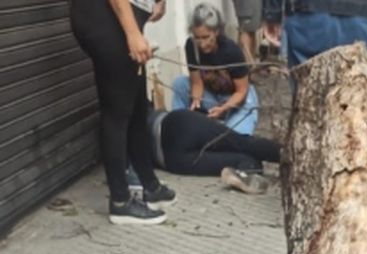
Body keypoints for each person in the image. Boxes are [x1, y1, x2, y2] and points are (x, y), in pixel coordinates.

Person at [72, 0, 177, 225]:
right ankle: (120, 202)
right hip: (105, 19)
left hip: (119, 19)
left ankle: (150, 186)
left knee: (138, 105)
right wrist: (132, 33)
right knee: (117, 111)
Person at [170, 5, 259, 136]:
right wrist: (196, 101)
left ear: (216, 32)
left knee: (234, 139)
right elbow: (196, 83)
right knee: (180, 84)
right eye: (197, 37)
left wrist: (224, 109)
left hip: (237, 99)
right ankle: (179, 127)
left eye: (206, 37)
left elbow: (242, 91)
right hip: (212, 96)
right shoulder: (191, 46)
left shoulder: (231, 50)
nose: (201, 44)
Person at [147, 108, 280, 192]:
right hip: (173, 124)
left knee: (238, 160)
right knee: (242, 143)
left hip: (168, 159)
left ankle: (246, 169)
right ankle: (292, 155)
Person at [263, 0, 367, 69]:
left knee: (310, 98)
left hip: (308, 19)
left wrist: (272, 13)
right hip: (365, 19)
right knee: (361, 100)